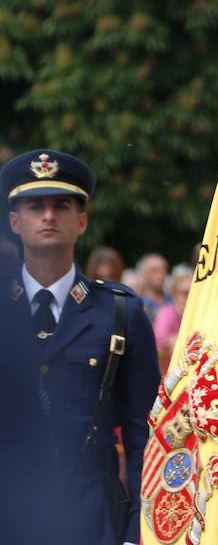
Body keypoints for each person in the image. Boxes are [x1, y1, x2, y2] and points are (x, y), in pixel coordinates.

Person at [0, 149, 160, 545]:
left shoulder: (120, 312)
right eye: (35, 206)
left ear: (82, 220)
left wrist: (139, 529)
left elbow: (145, 434)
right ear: (14, 222)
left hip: (94, 513)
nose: (49, 216)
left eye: (62, 205)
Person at [152, 268, 192, 373]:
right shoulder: (167, 312)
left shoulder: (199, 314)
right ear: (174, 294)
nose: (190, 297)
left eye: (193, 292)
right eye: (185, 293)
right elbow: (158, 343)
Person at [136, 252, 170, 321]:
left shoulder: (173, 301)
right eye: (154, 270)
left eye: (163, 270)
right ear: (143, 273)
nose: (160, 275)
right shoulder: (137, 303)